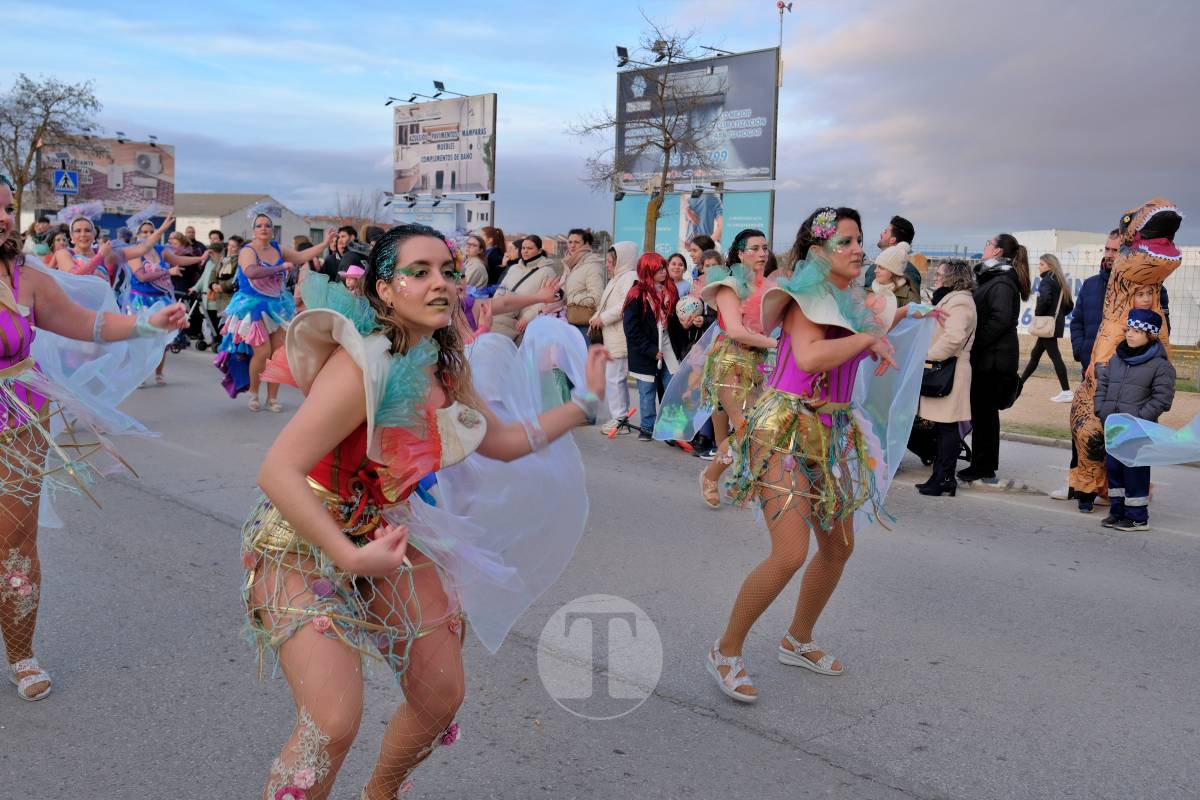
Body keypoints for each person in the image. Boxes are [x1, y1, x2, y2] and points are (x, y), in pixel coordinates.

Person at [243, 223, 606, 799]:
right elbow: (278, 470)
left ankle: (379, 794)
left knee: (439, 698)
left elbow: (504, 440)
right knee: (332, 725)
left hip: (383, 535)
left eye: (449, 271)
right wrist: (346, 554)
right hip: (303, 540)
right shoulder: (360, 363)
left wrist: (582, 406)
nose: (442, 283)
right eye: (420, 272)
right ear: (385, 290)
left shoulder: (444, 366)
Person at [0, 174, 186, 701]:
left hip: (16, 414)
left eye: (8, 208)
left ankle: (21, 654)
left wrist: (148, 325)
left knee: (13, 541)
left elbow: (85, 323)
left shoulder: (23, 276)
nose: (5, 218)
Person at [708, 206, 901, 703]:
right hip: (784, 428)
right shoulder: (804, 295)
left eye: (860, 240)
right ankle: (726, 650)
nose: (858, 249)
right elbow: (812, 356)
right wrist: (870, 339)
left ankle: (798, 637)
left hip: (832, 429)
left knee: (837, 548)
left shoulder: (851, 299)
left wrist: (900, 322)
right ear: (818, 251)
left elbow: (867, 331)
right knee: (791, 552)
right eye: (846, 242)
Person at [1070, 199, 1182, 513]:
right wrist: (1083, 353)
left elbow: (1162, 335)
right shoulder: (1092, 286)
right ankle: (1086, 490)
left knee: (1130, 448)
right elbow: (1077, 321)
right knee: (1090, 433)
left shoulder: (1154, 291)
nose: (1109, 254)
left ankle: (1131, 504)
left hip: (1135, 388)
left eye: (1113, 249)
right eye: (1106, 250)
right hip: (1099, 372)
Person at [218, 209, 334, 412]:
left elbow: (299, 256)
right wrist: (279, 268)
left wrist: (324, 244)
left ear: (273, 231)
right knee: (262, 353)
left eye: (268, 226)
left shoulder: (276, 248)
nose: (264, 228)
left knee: (278, 354)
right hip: (253, 307)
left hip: (277, 306)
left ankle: (272, 398)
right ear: (253, 231)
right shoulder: (248, 251)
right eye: (259, 225)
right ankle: (254, 393)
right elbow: (250, 271)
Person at [697, 229, 777, 507]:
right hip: (729, 360)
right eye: (754, 248)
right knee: (745, 427)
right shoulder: (729, 286)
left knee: (747, 431)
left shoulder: (767, 287)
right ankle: (710, 476)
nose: (762, 253)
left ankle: (739, 478)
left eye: (764, 248)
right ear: (740, 253)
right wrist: (776, 343)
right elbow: (736, 331)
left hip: (757, 362)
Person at [1093, 309, 1175, 531]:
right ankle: (1118, 512)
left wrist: (1137, 420)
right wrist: (1101, 410)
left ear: (1150, 335)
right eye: (1129, 329)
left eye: (1137, 331)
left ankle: (1138, 518)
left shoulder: (1161, 366)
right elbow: (1103, 386)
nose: (1130, 334)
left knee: (1135, 474)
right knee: (1115, 470)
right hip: (1114, 427)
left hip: (1137, 430)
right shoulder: (1117, 358)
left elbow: (1162, 400)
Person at [959, 233, 1030, 485]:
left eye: (989, 244)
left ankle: (983, 466)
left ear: (998, 251)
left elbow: (999, 320)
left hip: (993, 360)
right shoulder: (994, 278)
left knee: (985, 414)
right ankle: (981, 463)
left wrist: (974, 344)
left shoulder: (1001, 282)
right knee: (982, 413)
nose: (985, 246)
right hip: (990, 358)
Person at [915, 261, 977, 496]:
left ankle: (944, 478)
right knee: (944, 427)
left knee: (948, 427)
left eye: (940, 274)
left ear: (953, 277)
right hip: (948, 368)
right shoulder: (955, 299)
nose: (936, 278)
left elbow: (953, 338)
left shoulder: (960, 302)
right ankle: (940, 476)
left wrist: (928, 356)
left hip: (951, 370)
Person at [125, 222, 208, 382]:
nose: (148, 234)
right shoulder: (134, 253)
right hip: (140, 300)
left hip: (161, 299)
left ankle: (158, 373)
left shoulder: (160, 251)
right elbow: (142, 277)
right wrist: (167, 271)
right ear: (137, 235)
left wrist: (200, 258)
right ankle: (140, 375)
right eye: (144, 232)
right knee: (142, 340)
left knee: (161, 339)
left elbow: (178, 259)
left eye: (151, 231)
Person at [623, 252, 685, 441]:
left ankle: (671, 428)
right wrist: (650, 350)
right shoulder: (636, 295)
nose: (664, 272)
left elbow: (674, 322)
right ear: (647, 271)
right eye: (659, 269)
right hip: (645, 350)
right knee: (646, 390)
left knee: (673, 386)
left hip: (667, 344)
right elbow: (631, 329)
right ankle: (647, 427)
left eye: (664, 268)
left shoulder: (670, 289)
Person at [591, 242, 638, 435]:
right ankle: (620, 417)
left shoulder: (629, 277)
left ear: (622, 261)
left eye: (611, 261)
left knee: (615, 378)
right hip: (613, 335)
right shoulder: (617, 278)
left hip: (619, 336)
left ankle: (619, 418)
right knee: (615, 378)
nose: (607, 265)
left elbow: (624, 305)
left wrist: (602, 318)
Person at [1019, 254, 1075, 402]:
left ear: (1050, 265)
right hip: (1054, 325)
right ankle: (1019, 385)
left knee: (1054, 356)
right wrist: (1058, 316)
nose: (1039, 266)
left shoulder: (1046, 281)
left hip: (1046, 325)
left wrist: (1039, 314)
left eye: (1042, 264)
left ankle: (1067, 391)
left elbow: (1045, 299)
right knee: (1035, 354)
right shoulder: (1060, 281)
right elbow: (1070, 305)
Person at [490, 235, 555, 341]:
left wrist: (528, 317)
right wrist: (495, 306)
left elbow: (546, 299)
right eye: (523, 248)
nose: (525, 251)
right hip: (503, 314)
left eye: (530, 248)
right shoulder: (514, 268)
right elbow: (501, 289)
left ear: (539, 251)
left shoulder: (547, 271)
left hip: (522, 320)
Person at [560, 228, 607, 340]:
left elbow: (597, 297)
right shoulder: (569, 264)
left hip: (585, 324)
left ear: (586, 244)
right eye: (570, 242)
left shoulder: (593, 265)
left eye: (577, 242)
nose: (572, 245)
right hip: (569, 320)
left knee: (584, 356)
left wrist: (573, 298)